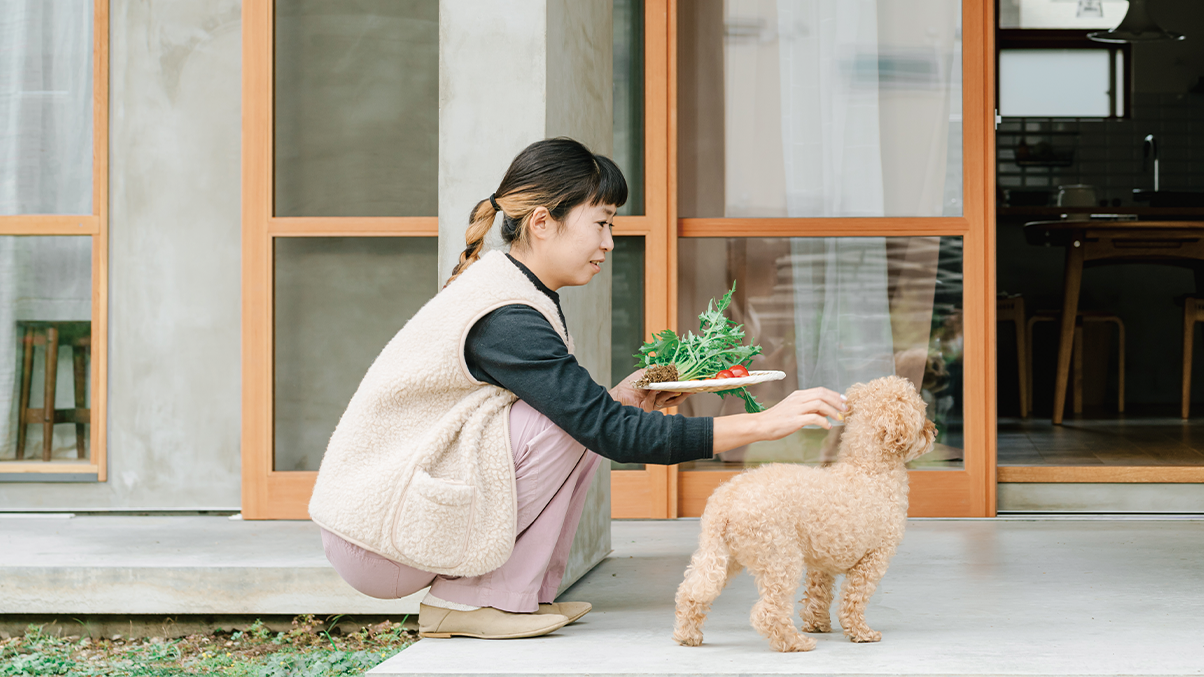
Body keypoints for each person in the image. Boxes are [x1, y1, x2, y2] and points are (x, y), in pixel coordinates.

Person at [309, 138, 847, 640]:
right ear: (543, 222)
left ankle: (510, 597)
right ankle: (473, 602)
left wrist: (621, 400)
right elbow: (604, 430)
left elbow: (593, 419)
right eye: (601, 224)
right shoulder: (506, 314)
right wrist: (764, 424)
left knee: (584, 422)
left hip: (398, 522)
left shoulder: (514, 290)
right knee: (577, 425)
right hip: (379, 537)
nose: (609, 243)